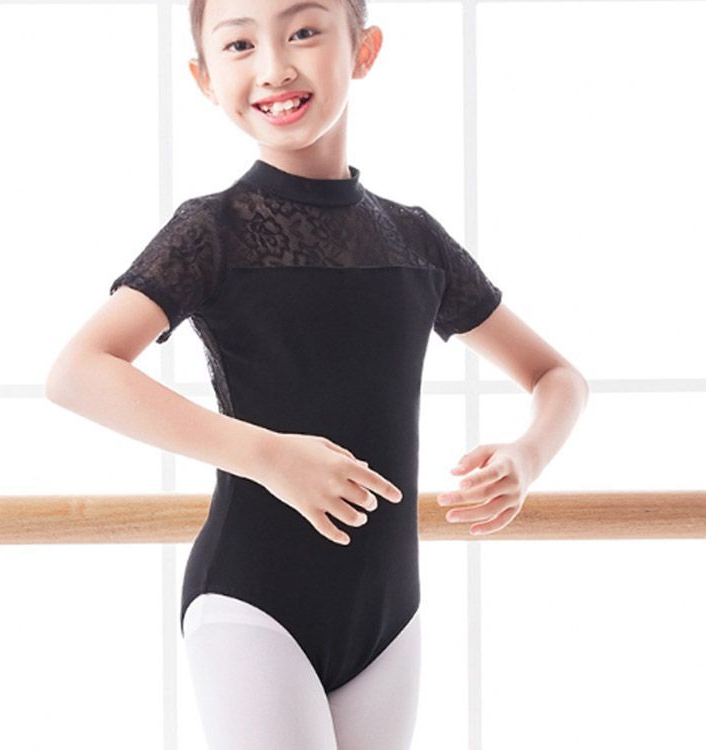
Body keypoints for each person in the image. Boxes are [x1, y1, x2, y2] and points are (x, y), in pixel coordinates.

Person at [45, 0, 589, 747]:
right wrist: (269, 455)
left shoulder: (416, 239)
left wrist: (527, 456)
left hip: (390, 615)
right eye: (240, 44)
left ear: (363, 49)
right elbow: (78, 371)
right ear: (204, 78)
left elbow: (557, 375)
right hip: (252, 600)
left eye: (303, 31)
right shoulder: (212, 230)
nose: (275, 66)